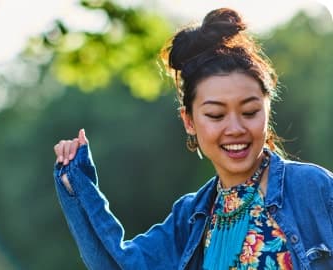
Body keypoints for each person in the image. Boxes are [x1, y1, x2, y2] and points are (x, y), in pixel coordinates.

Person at [53, 8, 333, 270]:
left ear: (267, 110)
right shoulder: (191, 217)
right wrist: (76, 183)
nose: (235, 128)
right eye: (215, 115)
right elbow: (118, 264)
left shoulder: (313, 189)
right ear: (189, 121)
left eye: (249, 111)